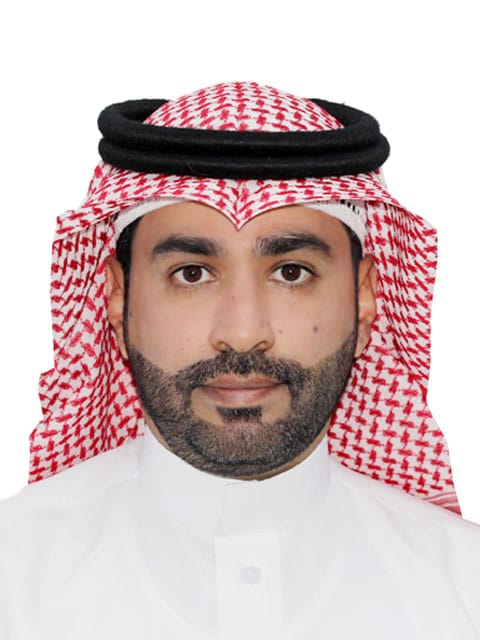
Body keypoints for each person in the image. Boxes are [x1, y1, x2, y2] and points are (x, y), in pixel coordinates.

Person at [0, 82, 479, 639]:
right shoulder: (14, 583)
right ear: (117, 298)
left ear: (366, 299)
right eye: (191, 273)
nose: (243, 333)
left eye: (292, 273)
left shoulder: (463, 591)